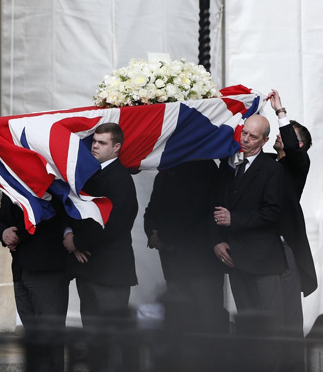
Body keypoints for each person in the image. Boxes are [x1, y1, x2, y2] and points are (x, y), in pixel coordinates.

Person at [211, 114, 286, 370]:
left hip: (264, 262)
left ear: (265, 140)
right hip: (236, 259)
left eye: (253, 137)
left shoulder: (273, 169)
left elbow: (273, 212)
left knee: (270, 327)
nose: (245, 139)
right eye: (244, 133)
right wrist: (217, 241)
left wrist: (235, 219)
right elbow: (216, 208)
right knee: (247, 325)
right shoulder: (230, 166)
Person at [63, 122, 138, 371]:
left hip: (110, 273)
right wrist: (71, 237)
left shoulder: (121, 179)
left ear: (116, 147)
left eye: (102, 142)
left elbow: (116, 224)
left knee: (113, 339)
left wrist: (77, 242)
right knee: (94, 339)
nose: (95, 146)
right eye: (94, 141)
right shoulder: (91, 175)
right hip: (89, 269)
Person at [144, 160, 228, 333]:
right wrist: (152, 234)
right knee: (178, 320)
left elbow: (195, 211)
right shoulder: (166, 173)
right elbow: (152, 210)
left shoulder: (206, 168)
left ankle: (213, 360)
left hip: (201, 262)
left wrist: (162, 236)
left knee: (208, 317)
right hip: (172, 260)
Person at [268, 89, 317, 372]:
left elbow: (292, 148)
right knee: (268, 315)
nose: (278, 136)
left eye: (286, 134)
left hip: (285, 249)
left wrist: (280, 113)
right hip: (261, 247)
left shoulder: (297, 166)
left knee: (287, 316)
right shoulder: (268, 164)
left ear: (298, 144)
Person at [0, 193, 69, 372]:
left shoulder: (48, 178)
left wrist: (17, 235)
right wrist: (4, 233)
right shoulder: (10, 183)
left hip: (46, 270)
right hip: (20, 269)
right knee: (33, 337)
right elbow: (1, 220)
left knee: (51, 336)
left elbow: (48, 216)